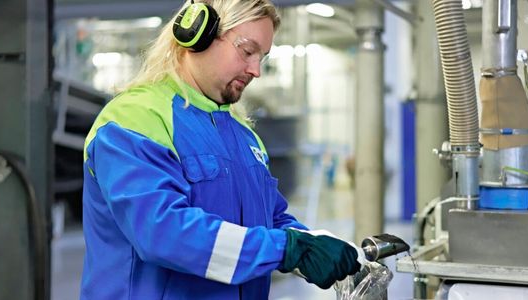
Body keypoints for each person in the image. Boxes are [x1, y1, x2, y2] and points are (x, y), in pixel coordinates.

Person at [80, 0, 364, 299]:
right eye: (247, 51)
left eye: (262, 57)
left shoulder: (243, 136)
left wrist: (316, 245)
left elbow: (272, 219)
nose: (256, 70)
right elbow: (162, 233)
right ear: (198, 34)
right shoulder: (135, 118)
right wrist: (286, 249)